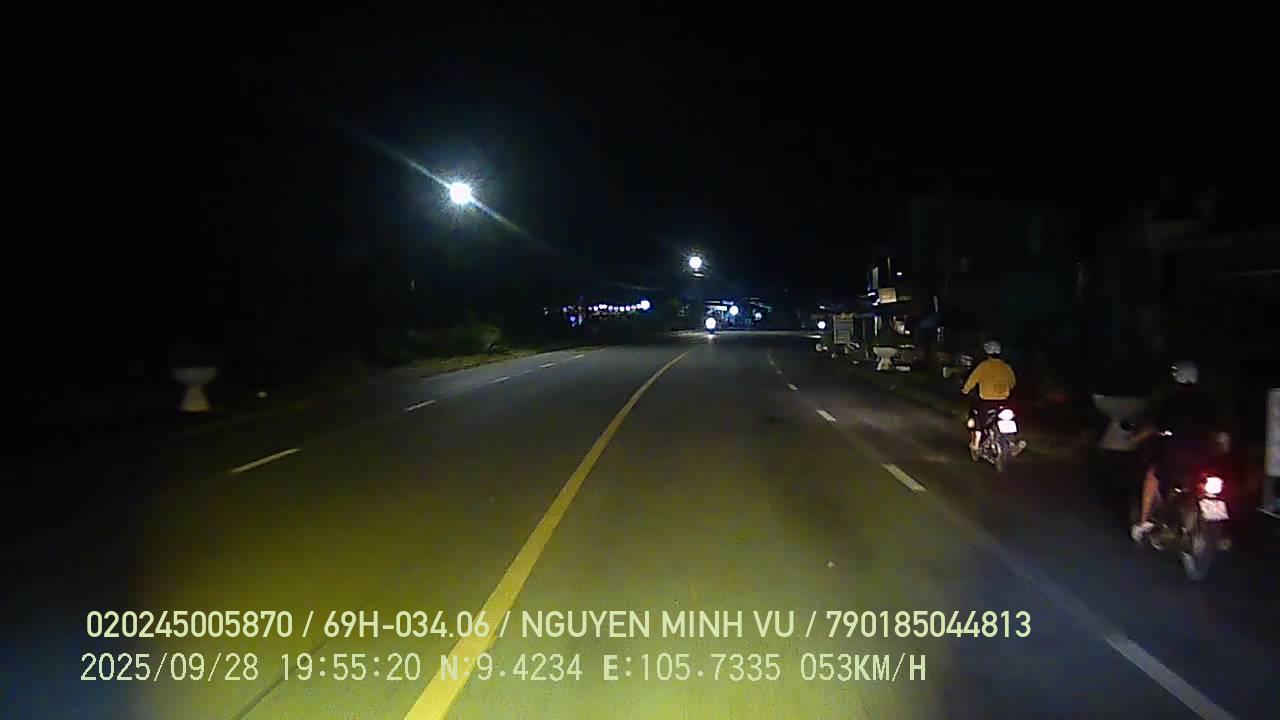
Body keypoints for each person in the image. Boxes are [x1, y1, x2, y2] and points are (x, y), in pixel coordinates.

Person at [1130, 361, 1222, 542]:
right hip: (1205, 457)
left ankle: (1144, 521)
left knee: (1153, 474)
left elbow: (1154, 426)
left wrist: (1135, 438)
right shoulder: (1208, 404)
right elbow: (1218, 432)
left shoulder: (1171, 402)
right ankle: (1220, 533)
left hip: (1176, 456)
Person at [962, 340, 1017, 456]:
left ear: (987, 353)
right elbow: (1012, 383)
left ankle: (976, 444)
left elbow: (971, 381)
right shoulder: (1006, 367)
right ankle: (1011, 443)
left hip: (986, 402)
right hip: (1004, 401)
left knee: (977, 421)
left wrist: (965, 390)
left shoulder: (983, 366)